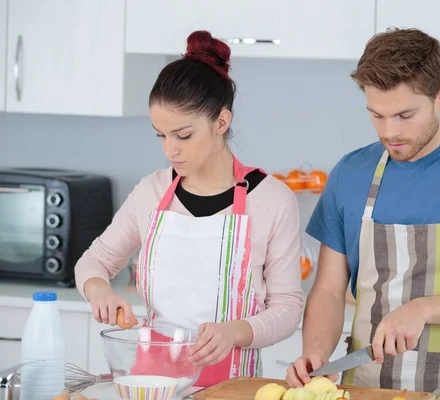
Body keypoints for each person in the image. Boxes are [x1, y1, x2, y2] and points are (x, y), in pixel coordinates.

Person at [286, 28, 440, 398]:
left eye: (406, 115)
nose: (391, 132)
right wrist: (315, 353)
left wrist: (423, 308)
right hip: (362, 388)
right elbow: (327, 290)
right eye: (377, 116)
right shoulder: (350, 174)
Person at [75, 30, 304, 388]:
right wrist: (98, 289)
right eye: (161, 135)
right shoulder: (151, 190)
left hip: (232, 386)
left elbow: (288, 307)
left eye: (183, 136)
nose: (170, 151)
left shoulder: (272, 199)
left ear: (221, 123)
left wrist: (236, 331)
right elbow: (95, 260)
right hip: (151, 383)